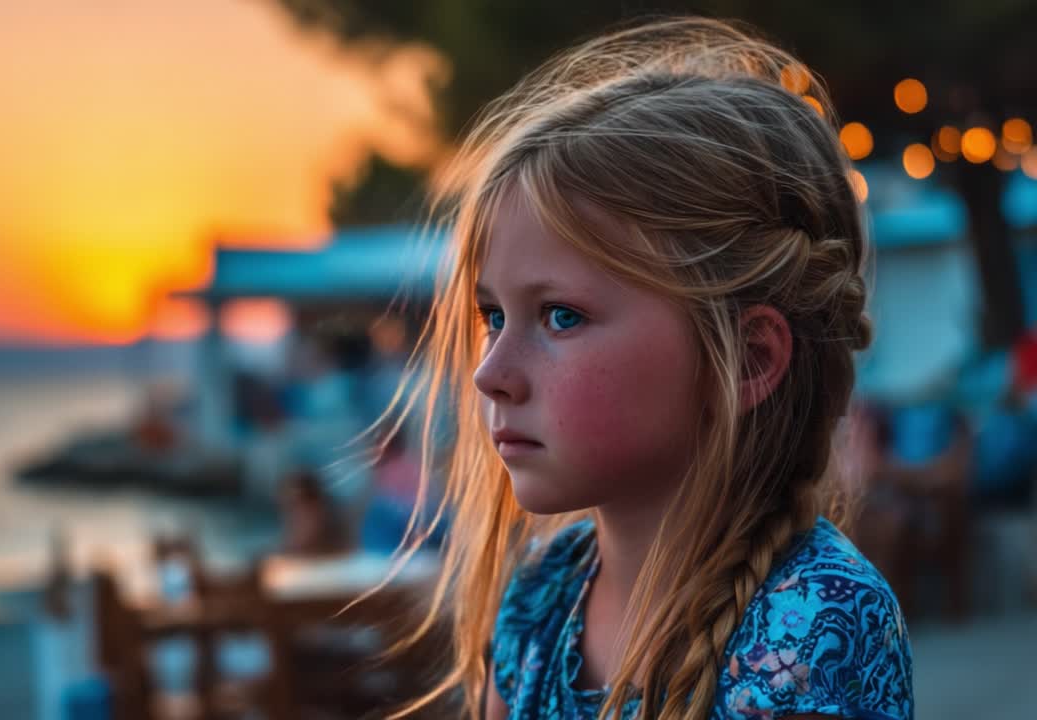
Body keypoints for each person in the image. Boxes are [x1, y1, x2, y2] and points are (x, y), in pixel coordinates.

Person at [374, 17, 912, 720]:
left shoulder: (816, 621)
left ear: (748, 359)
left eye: (561, 316)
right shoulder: (543, 596)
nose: (491, 373)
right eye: (493, 317)